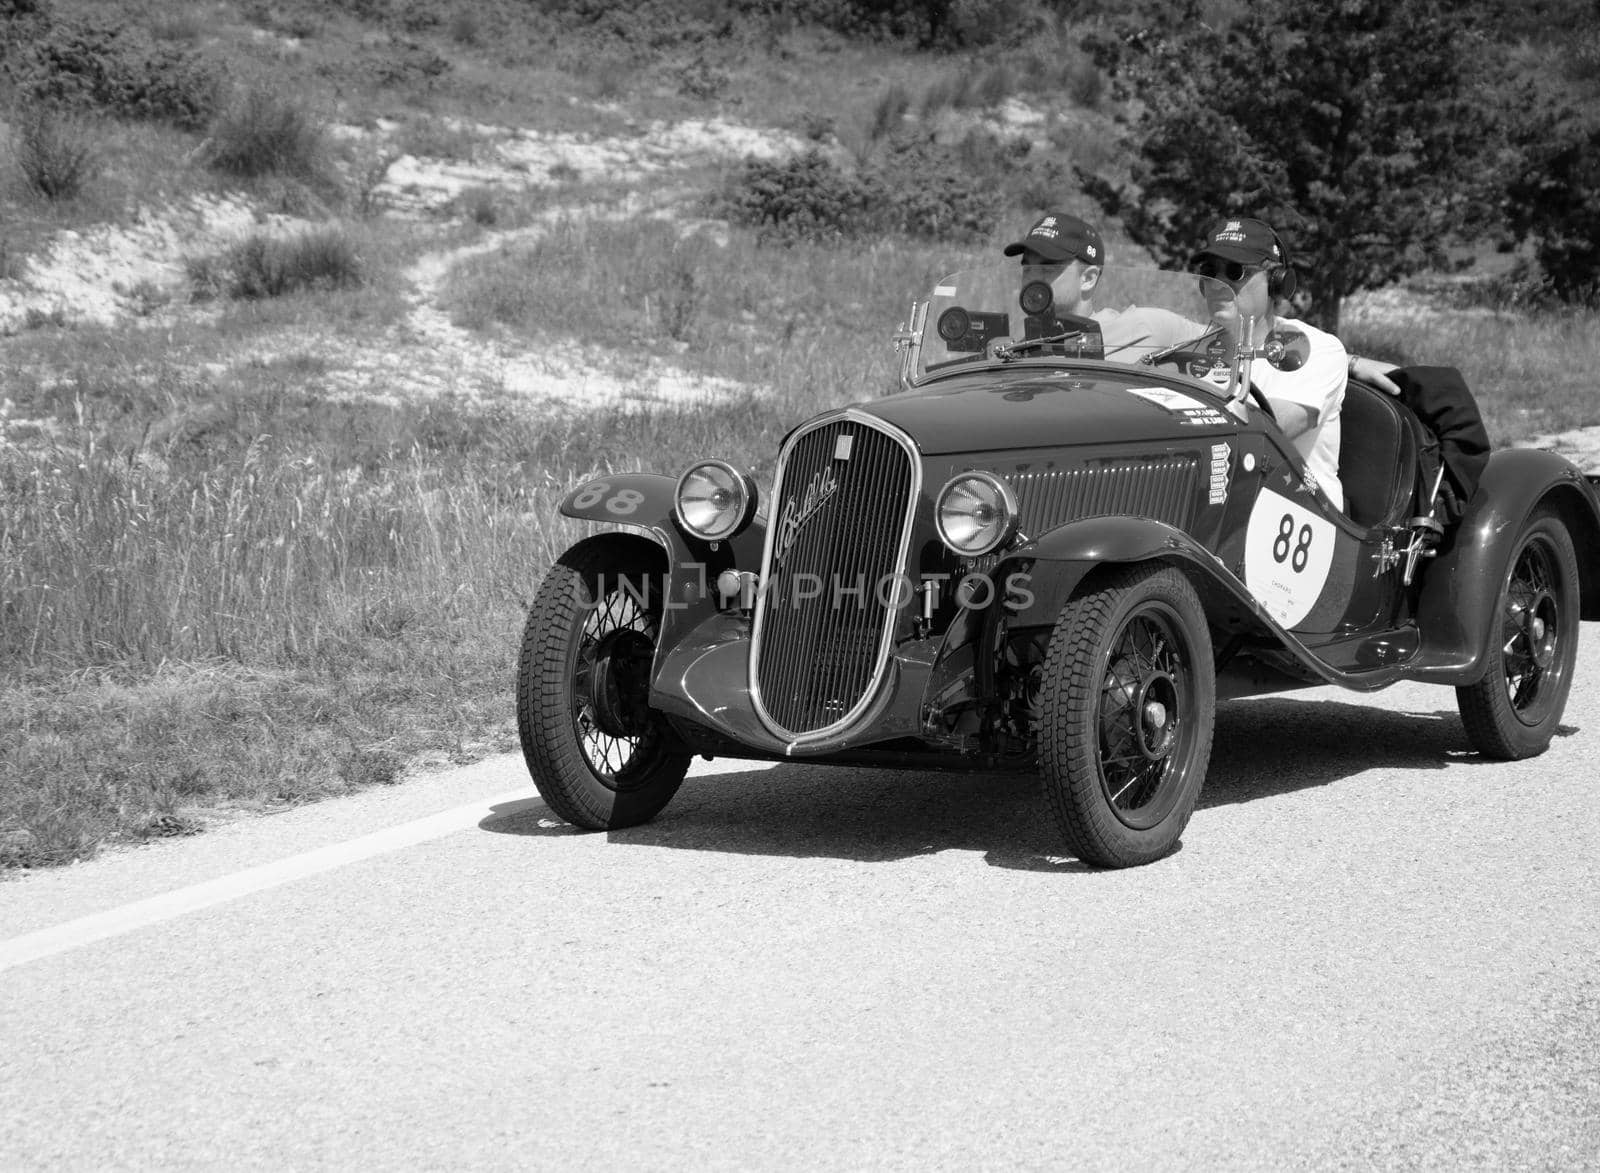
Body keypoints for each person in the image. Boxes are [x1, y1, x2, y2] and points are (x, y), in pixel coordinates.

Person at [1189, 216, 1347, 511]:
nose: (1217, 283)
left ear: (1277, 283)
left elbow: (1266, 433)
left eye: (1235, 272)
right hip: (1219, 506)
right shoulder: (1194, 347)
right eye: (1210, 271)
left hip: (1298, 512)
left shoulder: (1315, 349)